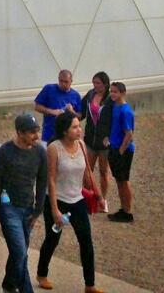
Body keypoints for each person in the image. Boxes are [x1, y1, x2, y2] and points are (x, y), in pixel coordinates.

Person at [0, 112, 48, 293]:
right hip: (7, 207)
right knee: (19, 251)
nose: (37, 136)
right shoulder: (4, 152)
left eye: (37, 131)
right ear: (20, 133)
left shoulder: (40, 152)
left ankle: (9, 283)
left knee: (20, 250)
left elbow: (42, 182)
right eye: (32, 132)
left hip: (28, 208)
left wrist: (38, 210)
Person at [36, 111, 103, 293]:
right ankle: (42, 274)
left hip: (77, 200)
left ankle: (90, 284)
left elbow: (87, 172)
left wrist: (98, 194)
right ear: (65, 130)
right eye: (74, 127)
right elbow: (50, 179)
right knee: (52, 239)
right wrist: (55, 210)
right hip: (58, 200)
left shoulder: (81, 145)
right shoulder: (54, 148)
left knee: (86, 241)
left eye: (79, 126)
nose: (79, 130)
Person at [81, 71, 113, 212]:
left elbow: (115, 119)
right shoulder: (90, 95)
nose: (95, 85)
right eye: (94, 83)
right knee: (87, 170)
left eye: (98, 83)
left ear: (105, 84)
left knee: (103, 171)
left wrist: (111, 136)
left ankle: (103, 199)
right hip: (90, 139)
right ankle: (89, 197)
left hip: (104, 142)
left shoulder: (111, 99)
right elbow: (82, 112)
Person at [105, 81, 135, 222]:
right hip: (114, 147)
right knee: (119, 180)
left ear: (122, 93)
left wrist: (121, 151)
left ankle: (128, 211)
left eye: (115, 91)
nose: (112, 94)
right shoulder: (115, 107)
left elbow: (129, 134)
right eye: (111, 91)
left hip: (122, 150)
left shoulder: (125, 111)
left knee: (123, 180)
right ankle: (123, 208)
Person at [34, 69, 82, 143]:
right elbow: (37, 107)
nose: (63, 84)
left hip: (67, 138)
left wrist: (72, 111)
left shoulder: (76, 95)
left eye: (66, 82)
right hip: (49, 135)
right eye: (61, 81)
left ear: (71, 81)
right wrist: (51, 111)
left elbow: (79, 117)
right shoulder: (49, 89)